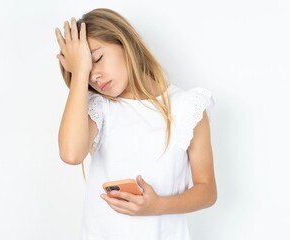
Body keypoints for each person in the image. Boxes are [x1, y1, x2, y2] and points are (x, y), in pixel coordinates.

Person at [56, 8, 217, 240]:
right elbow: (71, 154)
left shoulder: (186, 106)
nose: (94, 76)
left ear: (124, 42)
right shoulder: (99, 108)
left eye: (97, 59)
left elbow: (207, 191)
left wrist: (157, 206)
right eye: (86, 71)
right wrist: (79, 74)